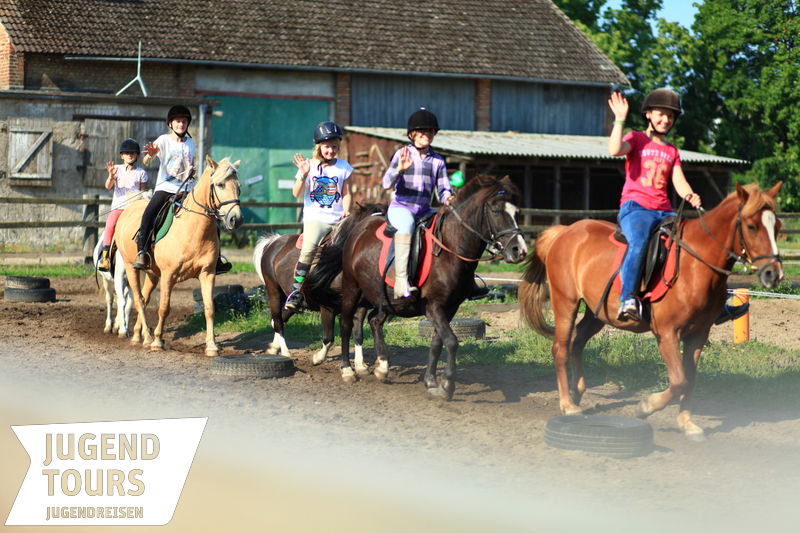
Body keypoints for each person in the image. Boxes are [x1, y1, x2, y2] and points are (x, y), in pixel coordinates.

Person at [608, 88, 747, 323]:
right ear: (648, 115)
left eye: (671, 116)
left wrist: (690, 194)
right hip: (636, 208)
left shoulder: (671, 150)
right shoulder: (636, 138)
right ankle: (628, 298)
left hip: (664, 211)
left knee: (696, 242)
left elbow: (679, 181)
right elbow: (614, 150)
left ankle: (715, 303)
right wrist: (620, 119)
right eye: (661, 114)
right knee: (640, 241)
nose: (666, 120)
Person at [382, 108, 454, 299]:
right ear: (412, 134)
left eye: (430, 131)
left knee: (450, 227)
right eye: (423, 131)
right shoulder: (402, 154)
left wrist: (449, 198)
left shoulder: (438, 161)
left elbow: (443, 189)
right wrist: (399, 169)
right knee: (406, 226)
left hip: (425, 210)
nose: (427, 135)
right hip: (401, 208)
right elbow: (386, 183)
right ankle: (401, 282)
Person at [284, 121, 353, 310]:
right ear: (319, 147)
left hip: (338, 219)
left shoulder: (344, 167)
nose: (331, 150)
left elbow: (346, 193)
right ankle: (296, 291)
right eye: (327, 147)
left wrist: (347, 210)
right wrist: (303, 174)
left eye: (334, 147)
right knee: (308, 250)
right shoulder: (308, 165)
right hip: (316, 219)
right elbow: (296, 192)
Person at [98, 138, 148, 271]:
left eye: (132, 153)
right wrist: (111, 176)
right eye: (126, 153)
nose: (129, 155)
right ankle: (105, 258)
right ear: (122, 155)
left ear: (137, 155)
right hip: (119, 207)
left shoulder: (141, 173)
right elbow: (108, 186)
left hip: (135, 208)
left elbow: (142, 192)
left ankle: (144, 253)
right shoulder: (116, 169)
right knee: (109, 226)